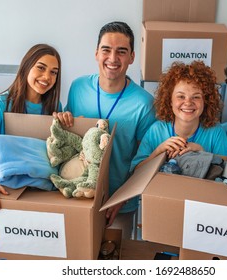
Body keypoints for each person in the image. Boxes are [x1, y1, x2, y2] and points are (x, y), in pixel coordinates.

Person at [53, 21, 156, 239]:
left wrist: (122, 198)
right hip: (77, 195)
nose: (112, 58)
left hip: (116, 204)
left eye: (121, 51)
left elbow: (145, 163)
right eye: (106, 50)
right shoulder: (78, 87)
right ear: (96, 53)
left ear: (132, 57)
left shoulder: (144, 103)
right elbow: (70, 139)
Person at [0, 43, 62, 212]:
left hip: (42, 191)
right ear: (26, 67)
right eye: (41, 68)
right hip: (7, 191)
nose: (47, 77)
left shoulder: (55, 108)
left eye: (53, 72)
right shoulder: (0, 105)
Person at [130, 60, 227, 171]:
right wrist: (158, 151)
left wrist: (203, 154)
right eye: (181, 97)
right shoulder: (156, 130)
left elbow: (225, 175)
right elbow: (136, 172)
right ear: (170, 100)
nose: (188, 103)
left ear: (206, 101)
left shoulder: (216, 132)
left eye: (196, 97)